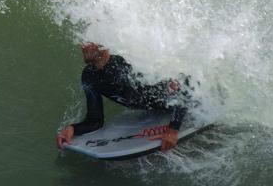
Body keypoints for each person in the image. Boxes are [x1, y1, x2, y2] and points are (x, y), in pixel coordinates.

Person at [56, 43, 194, 152]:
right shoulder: (89, 76)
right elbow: (95, 121)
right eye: (83, 40)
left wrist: (173, 130)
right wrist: (73, 129)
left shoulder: (125, 66)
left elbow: (184, 85)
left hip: (193, 102)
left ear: (103, 45)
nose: (83, 45)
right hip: (157, 108)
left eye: (88, 41)